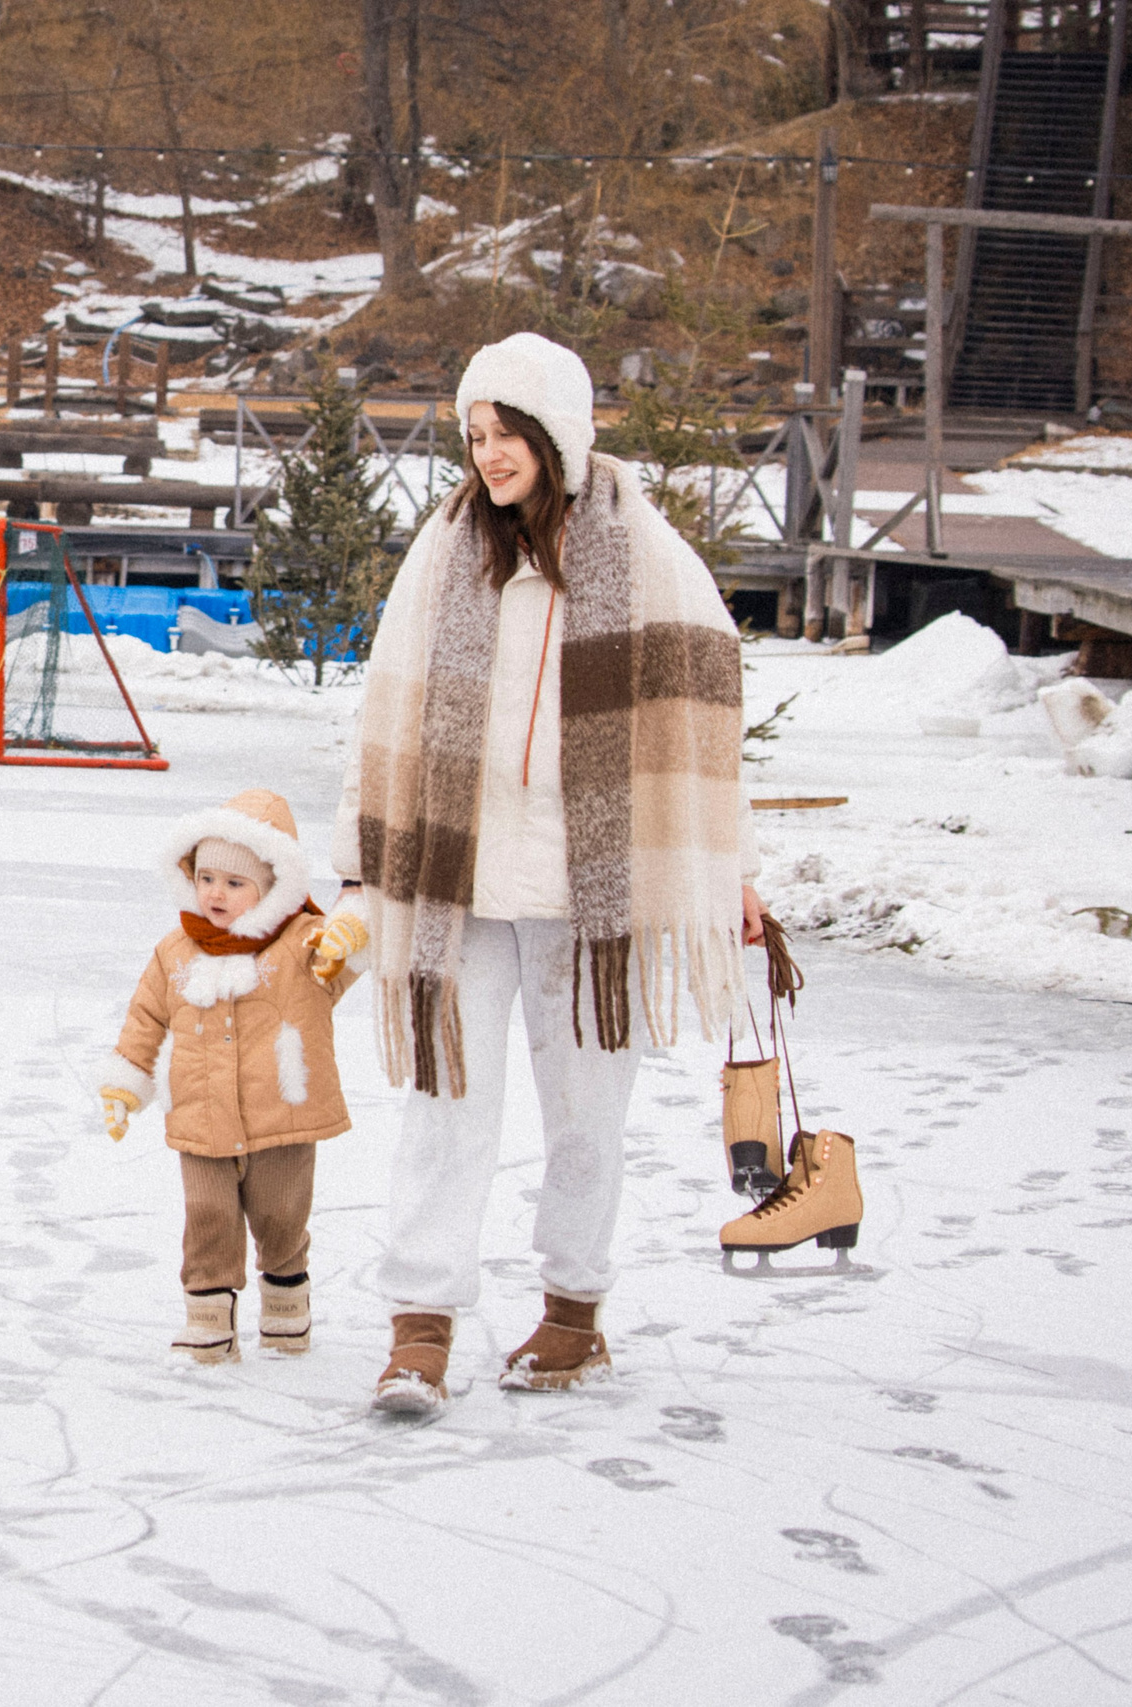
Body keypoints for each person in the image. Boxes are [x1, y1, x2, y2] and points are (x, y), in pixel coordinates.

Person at [331, 332, 766, 1418]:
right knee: (445, 1101)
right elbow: (383, 708)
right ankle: (419, 1330)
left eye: (504, 432)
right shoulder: (446, 550)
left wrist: (731, 869)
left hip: (588, 886)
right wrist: (355, 867)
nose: (485, 455)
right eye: (472, 435)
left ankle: (573, 1316)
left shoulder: (645, 554)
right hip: (459, 877)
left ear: (553, 434)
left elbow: (701, 724)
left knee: (585, 1114)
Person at [98, 791, 372, 1363]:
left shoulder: (302, 946)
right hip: (200, 1114)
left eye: (234, 883)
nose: (215, 894)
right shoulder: (176, 951)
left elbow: (345, 960)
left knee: (281, 1216)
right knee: (208, 1217)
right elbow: (146, 1017)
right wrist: (125, 1084)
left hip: (283, 1113)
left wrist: (350, 937)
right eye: (206, 877)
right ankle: (207, 1321)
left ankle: (286, 1307)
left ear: (273, 888)